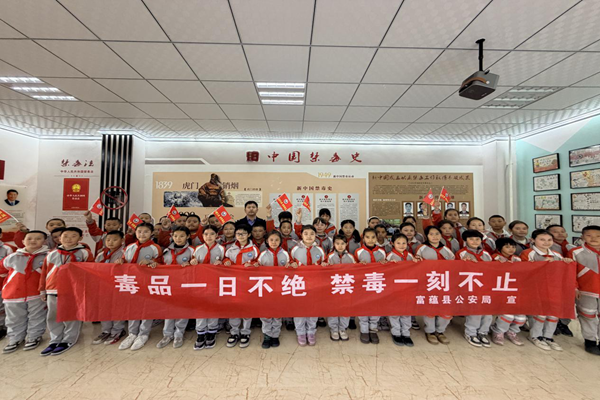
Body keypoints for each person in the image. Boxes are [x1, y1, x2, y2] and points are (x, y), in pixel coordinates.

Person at [39, 227, 94, 356]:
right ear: (59, 238)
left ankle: (69, 339)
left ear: (80, 238)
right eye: (65, 236)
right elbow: (44, 273)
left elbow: (91, 272)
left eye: (73, 236)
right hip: (53, 288)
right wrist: (42, 290)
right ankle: (55, 339)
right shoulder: (51, 254)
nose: (69, 239)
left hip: (73, 290)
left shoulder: (84, 253)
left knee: (71, 315)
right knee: (53, 315)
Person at [521, 229, 573, 351]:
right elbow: (523, 270)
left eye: (549, 240)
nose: (546, 242)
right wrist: (540, 264)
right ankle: (535, 336)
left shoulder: (557, 254)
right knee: (540, 313)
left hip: (555, 288)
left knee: (553, 314)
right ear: (533, 240)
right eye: (542, 240)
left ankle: (548, 336)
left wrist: (567, 262)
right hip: (537, 288)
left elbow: (563, 272)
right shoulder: (528, 253)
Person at [116, 222, 163, 351]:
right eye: (139, 231)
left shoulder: (155, 248)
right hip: (132, 282)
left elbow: (160, 263)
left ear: (152, 233)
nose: (142, 234)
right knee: (132, 307)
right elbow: (124, 260)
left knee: (146, 307)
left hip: (147, 282)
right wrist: (121, 261)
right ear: (135, 233)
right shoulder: (129, 247)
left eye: (146, 232)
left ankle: (143, 333)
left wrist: (151, 262)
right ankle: (132, 333)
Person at [0, 230, 48, 353]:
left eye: (38, 238)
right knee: (14, 318)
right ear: (23, 241)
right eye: (29, 238)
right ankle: (15, 338)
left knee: (37, 316)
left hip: (37, 294)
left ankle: (34, 336)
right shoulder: (12, 257)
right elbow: (2, 271)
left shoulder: (49, 257)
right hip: (13, 294)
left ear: (44, 241)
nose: (33, 241)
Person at [415, 226, 454, 345]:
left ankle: (440, 331)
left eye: (437, 233)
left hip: (445, 282)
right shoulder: (421, 248)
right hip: (429, 282)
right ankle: (430, 331)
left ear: (441, 235)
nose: (435, 236)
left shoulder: (446, 249)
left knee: (445, 306)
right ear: (427, 236)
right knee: (430, 306)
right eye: (431, 234)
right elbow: (416, 264)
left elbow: (454, 264)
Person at [157, 227, 195, 349]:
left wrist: (191, 264)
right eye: (175, 236)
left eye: (182, 236)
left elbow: (197, 266)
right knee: (169, 309)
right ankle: (167, 334)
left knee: (182, 309)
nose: (178, 238)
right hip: (169, 284)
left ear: (188, 236)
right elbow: (160, 264)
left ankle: (179, 333)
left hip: (185, 284)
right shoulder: (166, 250)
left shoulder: (192, 250)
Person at [224, 224, 259, 348]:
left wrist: (254, 264)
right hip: (233, 283)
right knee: (234, 307)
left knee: (246, 307)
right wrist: (226, 262)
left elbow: (258, 262)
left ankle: (245, 332)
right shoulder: (230, 248)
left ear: (249, 235)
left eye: (243, 233)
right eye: (238, 234)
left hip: (248, 283)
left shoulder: (254, 249)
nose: (240, 236)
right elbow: (225, 259)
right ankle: (234, 332)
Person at [456, 230, 493, 348]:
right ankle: (471, 333)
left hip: (485, 285)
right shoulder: (461, 253)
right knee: (475, 310)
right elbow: (456, 269)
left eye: (477, 239)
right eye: (471, 239)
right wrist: (465, 263)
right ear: (465, 240)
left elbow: (492, 269)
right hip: (470, 286)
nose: (475, 241)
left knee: (488, 311)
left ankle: (483, 332)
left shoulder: (486, 254)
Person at [191, 225, 226, 350]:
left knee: (212, 307)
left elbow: (226, 262)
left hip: (215, 283)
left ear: (217, 235)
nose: (209, 236)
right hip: (200, 283)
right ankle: (200, 333)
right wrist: (193, 262)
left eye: (212, 234)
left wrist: (222, 262)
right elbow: (192, 261)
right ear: (202, 236)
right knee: (200, 307)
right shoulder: (197, 249)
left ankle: (212, 331)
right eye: (206, 234)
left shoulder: (221, 249)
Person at [290, 225, 325, 346]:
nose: (309, 236)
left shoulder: (320, 250)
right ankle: (300, 332)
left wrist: (325, 265)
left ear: (315, 235)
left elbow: (325, 264)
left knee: (313, 308)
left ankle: (311, 331)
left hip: (315, 285)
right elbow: (289, 263)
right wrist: (291, 264)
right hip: (299, 284)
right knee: (299, 309)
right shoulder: (294, 249)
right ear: (301, 235)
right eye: (306, 234)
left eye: (312, 234)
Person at [256, 230, 291, 349]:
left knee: (277, 313)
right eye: (271, 240)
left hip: (280, 288)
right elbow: (256, 269)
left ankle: (275, 335)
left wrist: (291, 266)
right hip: (266, 288)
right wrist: (255, 266)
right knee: (266, 313)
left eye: (276, 240)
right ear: (267, 241)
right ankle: (267, 335)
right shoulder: (262, 255)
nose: (274, 242)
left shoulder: (285, 254)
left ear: (280, 241)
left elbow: (291, 269)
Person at [92, 230, 126, 346]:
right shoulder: (101, 254)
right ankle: (106, 330)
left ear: (122, 240)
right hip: (103, 286)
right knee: (104, 308)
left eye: (115, 240)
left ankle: (117, 331)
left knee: (117, 308)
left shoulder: (124, 253)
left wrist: (123, 262)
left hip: (118, 285)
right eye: (108, 240)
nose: (110, 242)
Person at [570, 225, 600, 355]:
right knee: (587, 315)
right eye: (589, 235)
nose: (594, 238)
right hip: (586, 290)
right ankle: (590, 341)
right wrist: (574, 288)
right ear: (582, 236)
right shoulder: (575, 252)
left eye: (598, 236)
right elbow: (570, 272)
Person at [490, 237, 526, 346]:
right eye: (507, 247)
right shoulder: (494, 258)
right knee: (507, 315)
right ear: (499, 248)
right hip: (499, 289)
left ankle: (512, 332)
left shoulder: (517, 259)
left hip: (515, 289)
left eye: (513, 247)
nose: (511, 249)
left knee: (521, 317)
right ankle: (498, 331)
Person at [354, 227, 386, 345]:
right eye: (367, 237)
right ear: (363, 238)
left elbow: (388, 268)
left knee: (376, 307)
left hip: (377, 283)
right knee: (363, 306)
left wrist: (385, 264)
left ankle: (373, 329)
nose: (370, 240)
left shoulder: (382, 251)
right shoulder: (358, 252)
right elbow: (352, 267)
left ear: (377, 238)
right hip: (363, 284)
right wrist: (358, 265)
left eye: (373, 237)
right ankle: (364, 330)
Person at [386, 233, 417, 347]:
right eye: (398, 243)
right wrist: (388, 264)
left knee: (406, 311)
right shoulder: (389, 256)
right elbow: (384, 270)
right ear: (392, 244)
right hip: (394, 289)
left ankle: (406, 333)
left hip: (408, 288)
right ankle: (396, 332)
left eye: (404, 243)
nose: (401, 245)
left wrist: (417, 262)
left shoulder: (410, 256)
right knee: (395, 311)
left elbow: (416, 268)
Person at [547, 224, 576, 336]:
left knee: (568, 302)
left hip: (569, 279)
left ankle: (564, 323)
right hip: (553, 279)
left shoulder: (572, 248)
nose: (560, 234)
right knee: (553, 301)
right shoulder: (547, 247)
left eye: (562, 231)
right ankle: (553, 323)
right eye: (555, 231)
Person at [325, 235, 356, 341]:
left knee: (345, 308)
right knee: (333, 308)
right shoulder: (329, 256)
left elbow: (356, 271)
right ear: (334, 244)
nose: (340, 246)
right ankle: (334, 329)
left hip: (346, 287)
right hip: (333, 287)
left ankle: (343, 328)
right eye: (337, 243)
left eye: (343, 243)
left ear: (346, 244)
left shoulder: (351, 257)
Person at [0, 227, 16, 340]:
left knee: (2, 306)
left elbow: (11, 267)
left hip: (2, 283)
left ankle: (2, 327)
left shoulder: (8, 248)